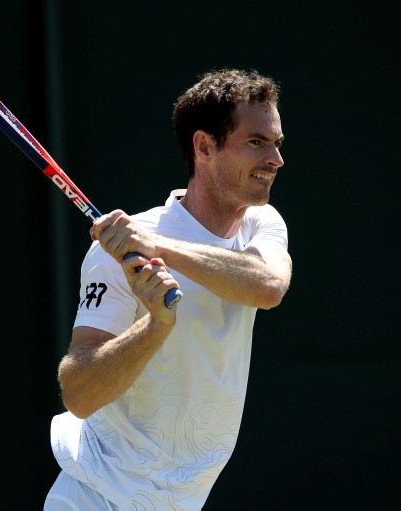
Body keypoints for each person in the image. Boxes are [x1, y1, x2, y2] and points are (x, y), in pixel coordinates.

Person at [44, 68, 292, 511]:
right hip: (96, 497)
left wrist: (158, 248)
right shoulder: (113, 253)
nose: (276, 159)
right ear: (204, 147)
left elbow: (269, 286)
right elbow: (79, 395)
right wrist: (156, 325)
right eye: (257, 142)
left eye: (276, 142)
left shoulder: (261, 223)